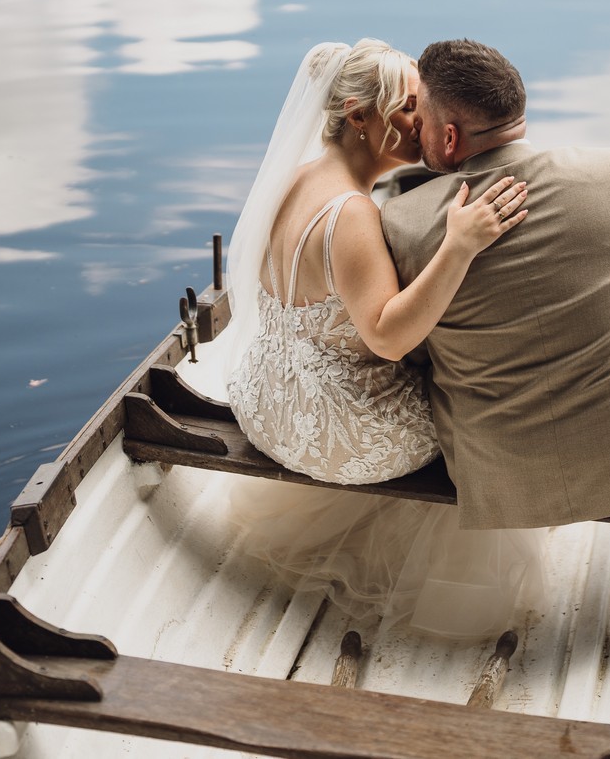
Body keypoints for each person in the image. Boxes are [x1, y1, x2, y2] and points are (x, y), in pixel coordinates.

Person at [216, 38, 539, 640]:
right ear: (360, 116)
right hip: (341, 437)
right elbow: (388, 336)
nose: (424, 121)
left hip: (266, 407)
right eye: (409, 107)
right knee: (478, 400)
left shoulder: (291, 180)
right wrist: (460, 244)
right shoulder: (352, 215)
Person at [381, 38, 610, 531]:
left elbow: (417, 354)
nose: (415, 130)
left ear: (449, 138)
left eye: (420, 119)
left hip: (502, 475)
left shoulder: (403, 221)